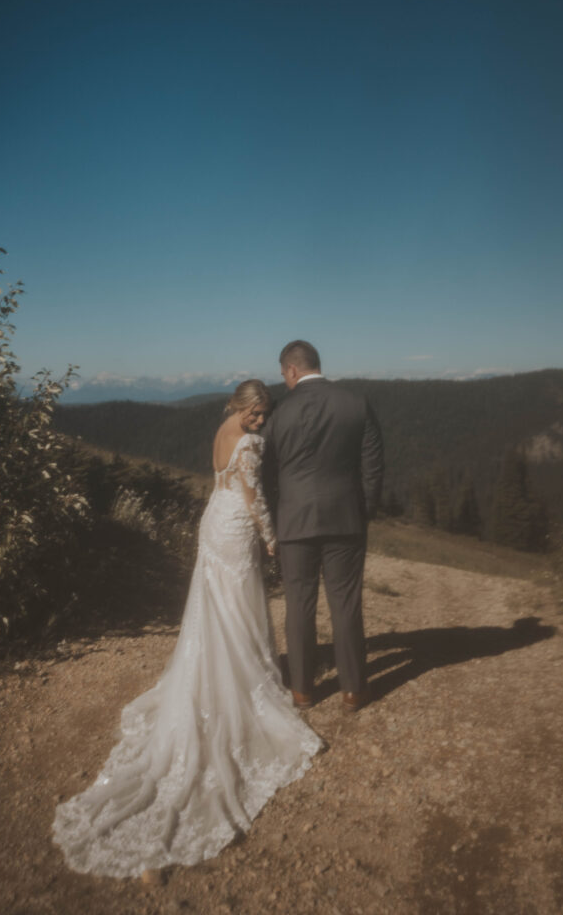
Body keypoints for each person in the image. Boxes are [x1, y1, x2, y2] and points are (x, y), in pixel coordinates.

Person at [52, 380, 321, 879]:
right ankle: (245, 681)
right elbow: (253, 491)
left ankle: (222, 672)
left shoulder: (222, 428)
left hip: (212, 519)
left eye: (264, 415)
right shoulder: (250, 440)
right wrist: (270, 535)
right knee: (237, 606)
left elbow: (223, 479)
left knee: (217, 607)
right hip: (237, 523)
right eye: (256, 413)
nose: (261, 422)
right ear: (241, 407)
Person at [263, 341, 384, 713]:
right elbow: (373, 468)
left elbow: (264, 474)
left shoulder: (278, 415)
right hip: (345, 517)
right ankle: (353, 690)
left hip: (294, 520)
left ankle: (302, 690)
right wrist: (364, 512)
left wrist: (274, 518)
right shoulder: (356, 404)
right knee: (345, 603)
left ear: (293, 370)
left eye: (284, 374)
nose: (284, 380)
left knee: (299, 604)